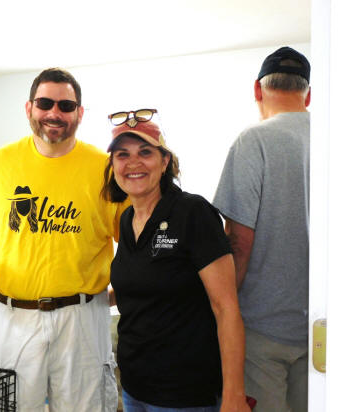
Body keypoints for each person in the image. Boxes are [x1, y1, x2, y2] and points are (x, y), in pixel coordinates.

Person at [0, 68, 128, 411]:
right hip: (13, 316)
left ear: (79, 113)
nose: (54, 113)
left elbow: (132, 241)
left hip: (82, 317)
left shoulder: (105, 169)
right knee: (11, 406)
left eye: (65, 105)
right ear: (29, 108)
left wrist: (122, 291)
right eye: (45, 103)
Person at [102, 110, 251, 412]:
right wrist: (88, 299)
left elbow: (226, 308)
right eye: (122, 155)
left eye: (145, 152)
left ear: (165, 161)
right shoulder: (128, 219)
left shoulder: (193, 213)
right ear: (113, 166)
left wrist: (234, 394)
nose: (133, 163)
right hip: (134, 387)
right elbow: (146, 283)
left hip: (183, 393)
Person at [213, 46, 311, 412]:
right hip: (320, 329)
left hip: (261, 330)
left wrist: (222, 314)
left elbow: (239, 243)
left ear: (258, 89)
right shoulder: (338, 140)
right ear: (308, 94)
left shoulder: (253, 140)